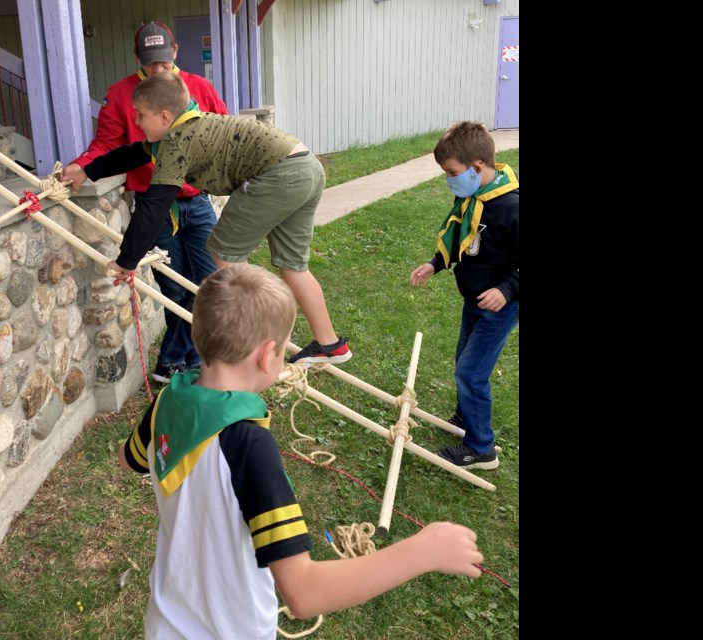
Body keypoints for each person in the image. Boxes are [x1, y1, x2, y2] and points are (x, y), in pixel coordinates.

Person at [118, 263, 482, 639]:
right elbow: (303, 593)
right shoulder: (249, 447)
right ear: (267, 355)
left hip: (165, 624)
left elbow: (130, 458)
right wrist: (423, 551)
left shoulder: (168, 401)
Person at [67, 72, 351, 366]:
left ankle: (254, 342)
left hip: (276, 176)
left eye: (141, 115)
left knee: (223, 253)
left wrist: (126, 260)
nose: (136, 122)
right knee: (293, 265)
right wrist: (86, 170)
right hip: (305, 168)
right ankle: (330, 344)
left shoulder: (178, 142)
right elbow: (130, 155)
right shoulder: (188, 125)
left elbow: (153, 207)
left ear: (165, 116)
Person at [58, 22, 228, 384]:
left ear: (175, 53)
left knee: (211, 282)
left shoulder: (199, 87)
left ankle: (177, 358)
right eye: (151, 63)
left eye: (164, 61)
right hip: (158, 209)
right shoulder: (121, 94)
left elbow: (220, 130)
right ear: (139, 58)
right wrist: (81, 167)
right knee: (175, 289)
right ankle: (183, 361)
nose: (158, 69)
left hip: (196, 203)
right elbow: (107, 144)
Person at [409, 121, 519, 470]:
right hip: (474, 301)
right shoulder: (470, 197)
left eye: (451, 172)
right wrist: (435, 263)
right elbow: (462, 238)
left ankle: (480, 448)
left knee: (471, 373)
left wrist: (506, 290)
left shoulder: (511, 207)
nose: (448, 180)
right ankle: (465, 416)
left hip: (499, 307)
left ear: (477, 167)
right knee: (463, 361)